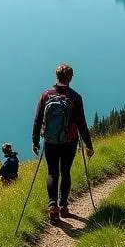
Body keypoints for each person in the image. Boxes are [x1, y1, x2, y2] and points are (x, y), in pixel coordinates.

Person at [31, 63, 94, 223]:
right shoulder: (75, 97)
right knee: (65, 172)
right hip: (69, 141)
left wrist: (35, 141)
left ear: (56, 77)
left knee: (52, 173)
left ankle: (53, 207)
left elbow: (38, 119)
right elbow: (82, 123)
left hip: (51, 142)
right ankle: (64, 206)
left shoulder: (46, 95)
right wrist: (88, 144)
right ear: (70, 78)